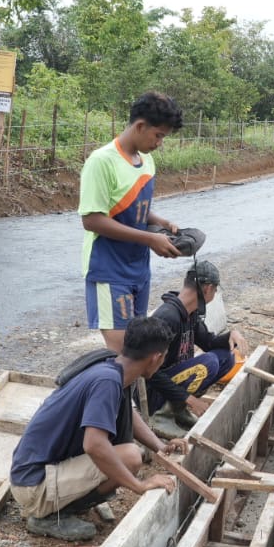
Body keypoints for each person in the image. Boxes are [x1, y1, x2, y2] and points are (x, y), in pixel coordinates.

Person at [10, 316, 187, 541]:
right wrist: (139, 486)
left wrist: (160, 446)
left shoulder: (113, 366)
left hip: (35, 471)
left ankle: (65, 504)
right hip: (33, 485)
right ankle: (49, 515)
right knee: (131, 456)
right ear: (156, 358)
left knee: (130, 454)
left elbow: (128, 414)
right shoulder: (108, 381)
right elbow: (94, 445)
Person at [80, 91, 186, 354]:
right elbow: (92, 220)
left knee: (139, 347)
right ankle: (109, 394)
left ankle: (131, 396)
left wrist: (159, 222)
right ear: (140, 126)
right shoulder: (102, 162)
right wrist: (150, 239)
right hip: (108, 268)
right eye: (158, 135)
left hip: (138, 268)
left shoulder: (146, 161)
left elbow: (133, 209)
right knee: (123, 351)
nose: (160, 142)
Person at [146, 261, 249, 430]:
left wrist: (231, 335)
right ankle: (161, 416)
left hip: (171, 385)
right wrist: (191, 399)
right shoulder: (167, 317)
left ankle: (177, 409)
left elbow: (209, 343)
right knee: (209, 363)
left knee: (226, 357)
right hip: (155, 392)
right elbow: (149, 372)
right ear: (208, 289)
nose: (214, 295)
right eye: (215, 290)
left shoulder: (190, 313)